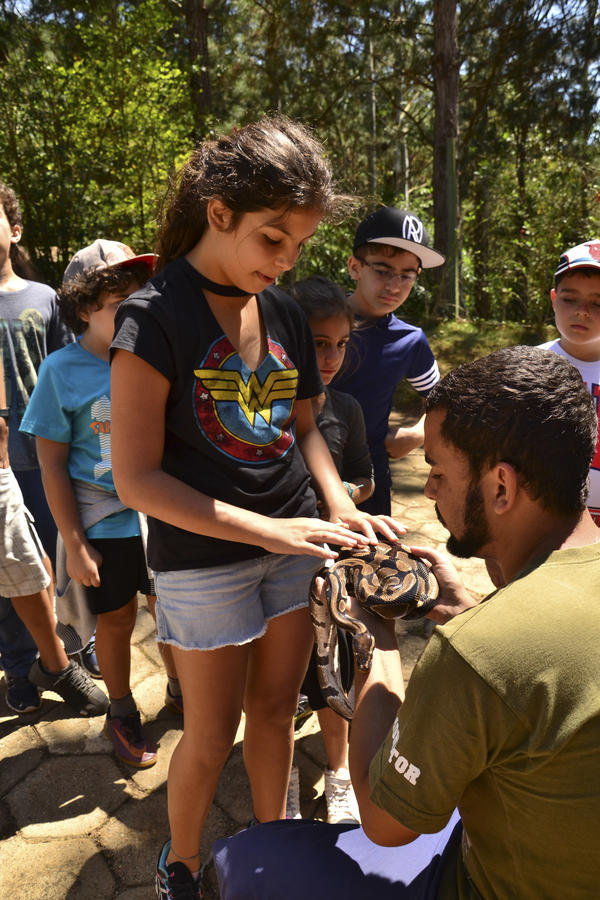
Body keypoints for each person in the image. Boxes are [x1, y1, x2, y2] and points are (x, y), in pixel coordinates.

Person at [109, 116, 406, 899]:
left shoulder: (282, 312)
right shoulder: (152, 316)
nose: (285, 261)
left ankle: (273, 853)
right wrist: (269, 529)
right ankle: (179, 865)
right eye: (273, 238)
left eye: (299, 245)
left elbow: (304, 427)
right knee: (211, 736)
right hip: (204, 560)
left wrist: (339, 504)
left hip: (293, 544)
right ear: (218, 212)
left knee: (275, 712)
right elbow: (136, 480)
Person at [213, 345, 600, 899]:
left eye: (437, 471)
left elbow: (384, 822)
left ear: (501, 487)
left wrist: (376, 637)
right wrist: (466, 609)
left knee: (251, 856)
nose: (432, 489)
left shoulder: (477, 653)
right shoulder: (501, 630)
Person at [20, 239, 175, 767]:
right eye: (119, 303)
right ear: (84, 308)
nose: (135, 313)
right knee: (117, 618)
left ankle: (182, 689)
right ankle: (122, 709)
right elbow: (51, 465)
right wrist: (74, 543)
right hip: (103, 520)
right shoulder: (60, 370)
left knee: (171, 607)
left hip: (161, 511)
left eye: (141, 300)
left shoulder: (154, 355)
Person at [288, 275, 374, 825]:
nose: (332, 357)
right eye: (319, 343)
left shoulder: (346, 408)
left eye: (341, 344)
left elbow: (365, 478)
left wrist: (341, 496)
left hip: (331, 570)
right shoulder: (262, 409)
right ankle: (283, 776)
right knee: (281, 685)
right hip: (275, 567)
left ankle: (339, 772)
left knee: (333, 676)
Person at [0, 177, 77, 708]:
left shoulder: (45, 298)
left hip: (44, 459)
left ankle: (68, 651)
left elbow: (67, 374)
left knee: (56, 563)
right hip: (0, 468)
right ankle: (18, 668)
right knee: (11, 571)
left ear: (15, 229)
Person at [0, 360, 108, 716]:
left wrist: (0, 421)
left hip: (22, 445)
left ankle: (64, 650)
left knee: (30, 555)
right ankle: (21, 665)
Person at [332, 207, 445, 515]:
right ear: (355, 267)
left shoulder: (410, 340)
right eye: (382, 271)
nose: (395, 286)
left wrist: (418, 433)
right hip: (302, 467)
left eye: (407, 275)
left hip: (368, 477)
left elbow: (442, 400)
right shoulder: (317, 321)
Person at [539, 239, 600, 525]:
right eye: (569, 299)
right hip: (543, 525)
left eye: (598, 302)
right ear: (554, 299)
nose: (582, 311)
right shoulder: (527, 365)